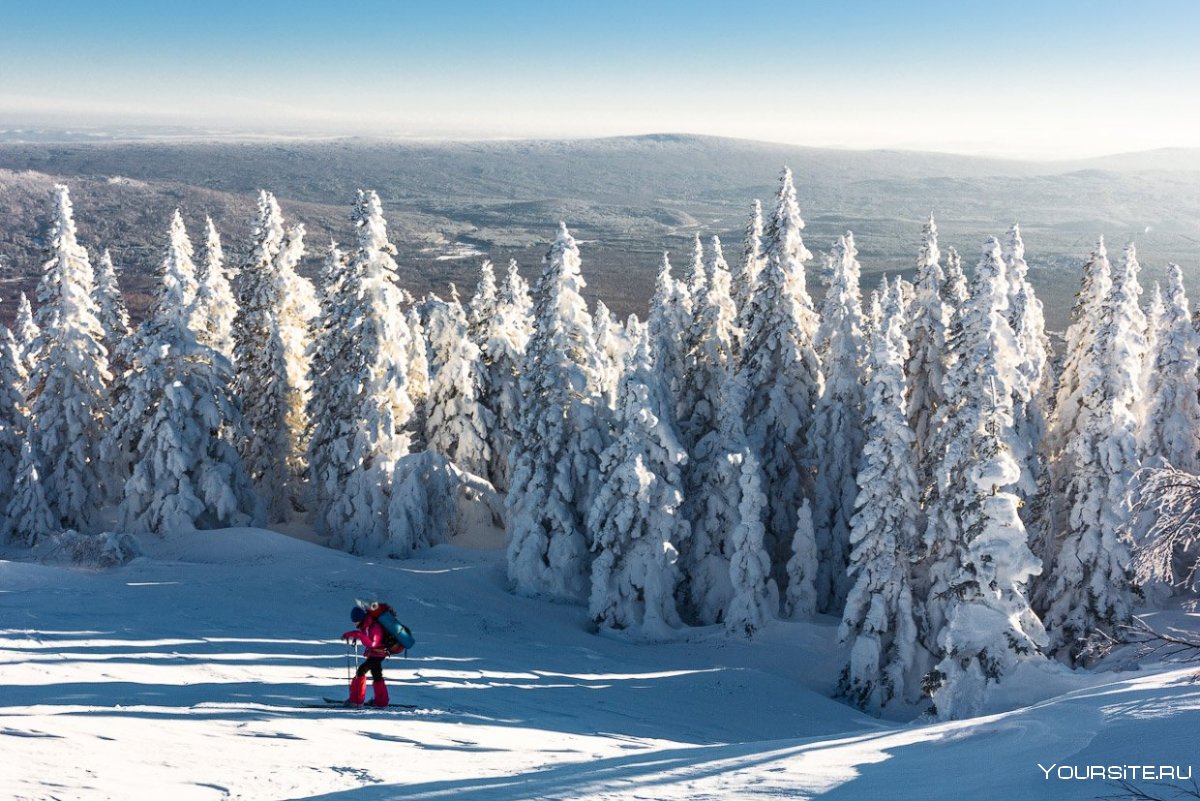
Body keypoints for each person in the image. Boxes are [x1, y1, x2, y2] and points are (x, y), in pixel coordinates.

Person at [341, 606, 390, 707]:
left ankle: (356, 700)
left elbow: (373, 644)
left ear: (360, 619)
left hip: (378, 653)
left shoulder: (373, 626)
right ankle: (381, 702)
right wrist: (356, 635)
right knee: (377, 674)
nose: (354, 623)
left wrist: (357, 635)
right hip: (376, 653)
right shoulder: (366, 625)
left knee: (361, 671)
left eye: (355, 621)